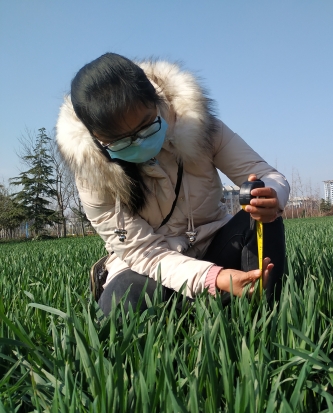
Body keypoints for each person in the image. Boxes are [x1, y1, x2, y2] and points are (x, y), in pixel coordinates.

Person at [56, 53, 289, 315]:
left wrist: (271, 195)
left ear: (156, 102)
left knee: (262, 215)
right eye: (121, 141)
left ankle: (264, 311)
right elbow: (142, 252)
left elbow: (267, 175)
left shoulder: (200, 126)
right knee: (119, 307)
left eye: (146, 126)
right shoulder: (92, 171)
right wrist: (212, 277)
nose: (139, 142)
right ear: (95, 137)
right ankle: (203, 302)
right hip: (150, 264)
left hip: (214, 241)